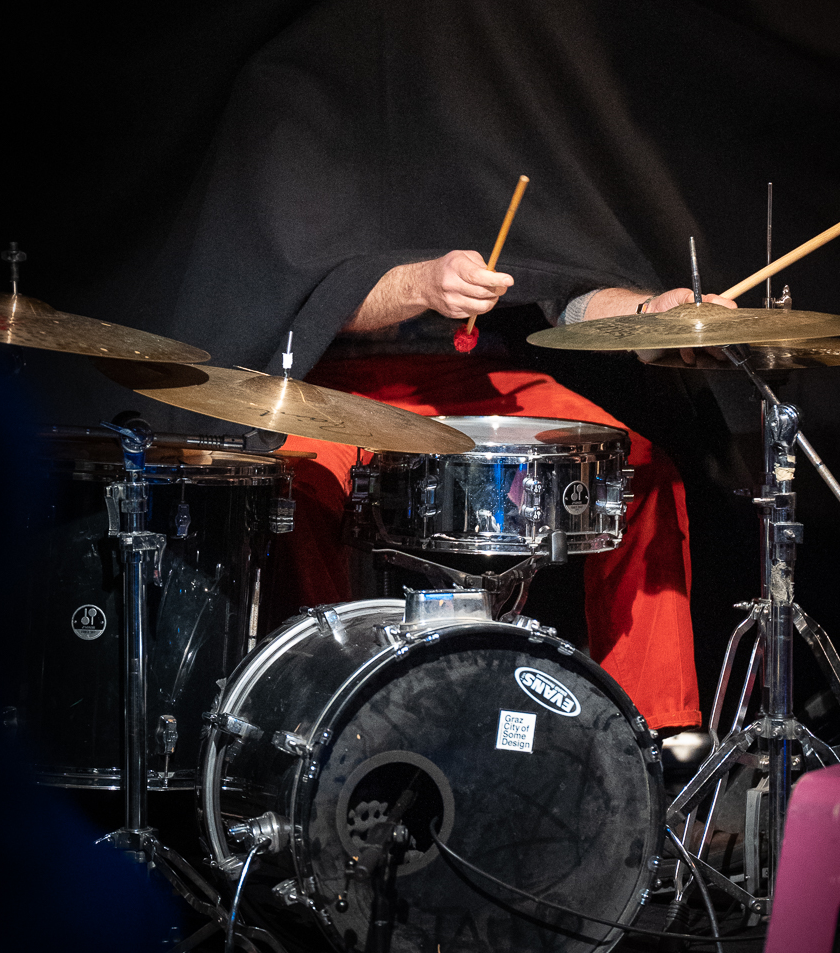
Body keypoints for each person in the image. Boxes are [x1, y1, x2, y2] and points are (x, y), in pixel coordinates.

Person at [280, 250, 736, 740]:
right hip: (328, 379)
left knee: (638, 472)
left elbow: (564, 292)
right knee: (296, 486)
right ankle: (310, 715)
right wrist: (419, 285)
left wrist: (649, 314)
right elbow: (298, 295)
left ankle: (642, 733)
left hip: (480, 376)